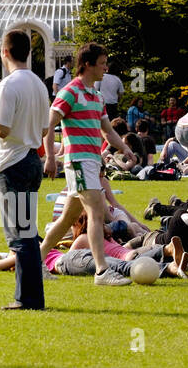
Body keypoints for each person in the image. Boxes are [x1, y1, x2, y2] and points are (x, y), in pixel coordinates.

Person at [39, 43, 137, 287]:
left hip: (93, 163)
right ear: (88, 64)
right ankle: (102, 271)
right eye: (102, 62)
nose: (106, 67)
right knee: (95, 213)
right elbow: (49, 124)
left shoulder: (97, 96)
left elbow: (108, 132)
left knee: (65, 221)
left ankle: (35, 262)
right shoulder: (70, 91)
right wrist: (51, 158)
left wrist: (124, 147)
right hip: (79, 162)